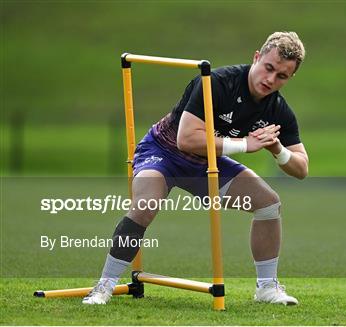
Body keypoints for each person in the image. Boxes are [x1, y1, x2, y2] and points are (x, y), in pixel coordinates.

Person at [83, 31, 308, 306]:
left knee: (269, 204)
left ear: (290, 77)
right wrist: (245, 144)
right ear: (257, 58)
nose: (271, 80)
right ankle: (103, 286)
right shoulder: (216, 82)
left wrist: (277, 149)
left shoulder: (277, 110)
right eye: (268, 68)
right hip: (163, 152)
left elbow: (301, 168)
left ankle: (267, 288)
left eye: (282, 76)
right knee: (145, 205)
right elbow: (186, 139)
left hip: (206, 163)